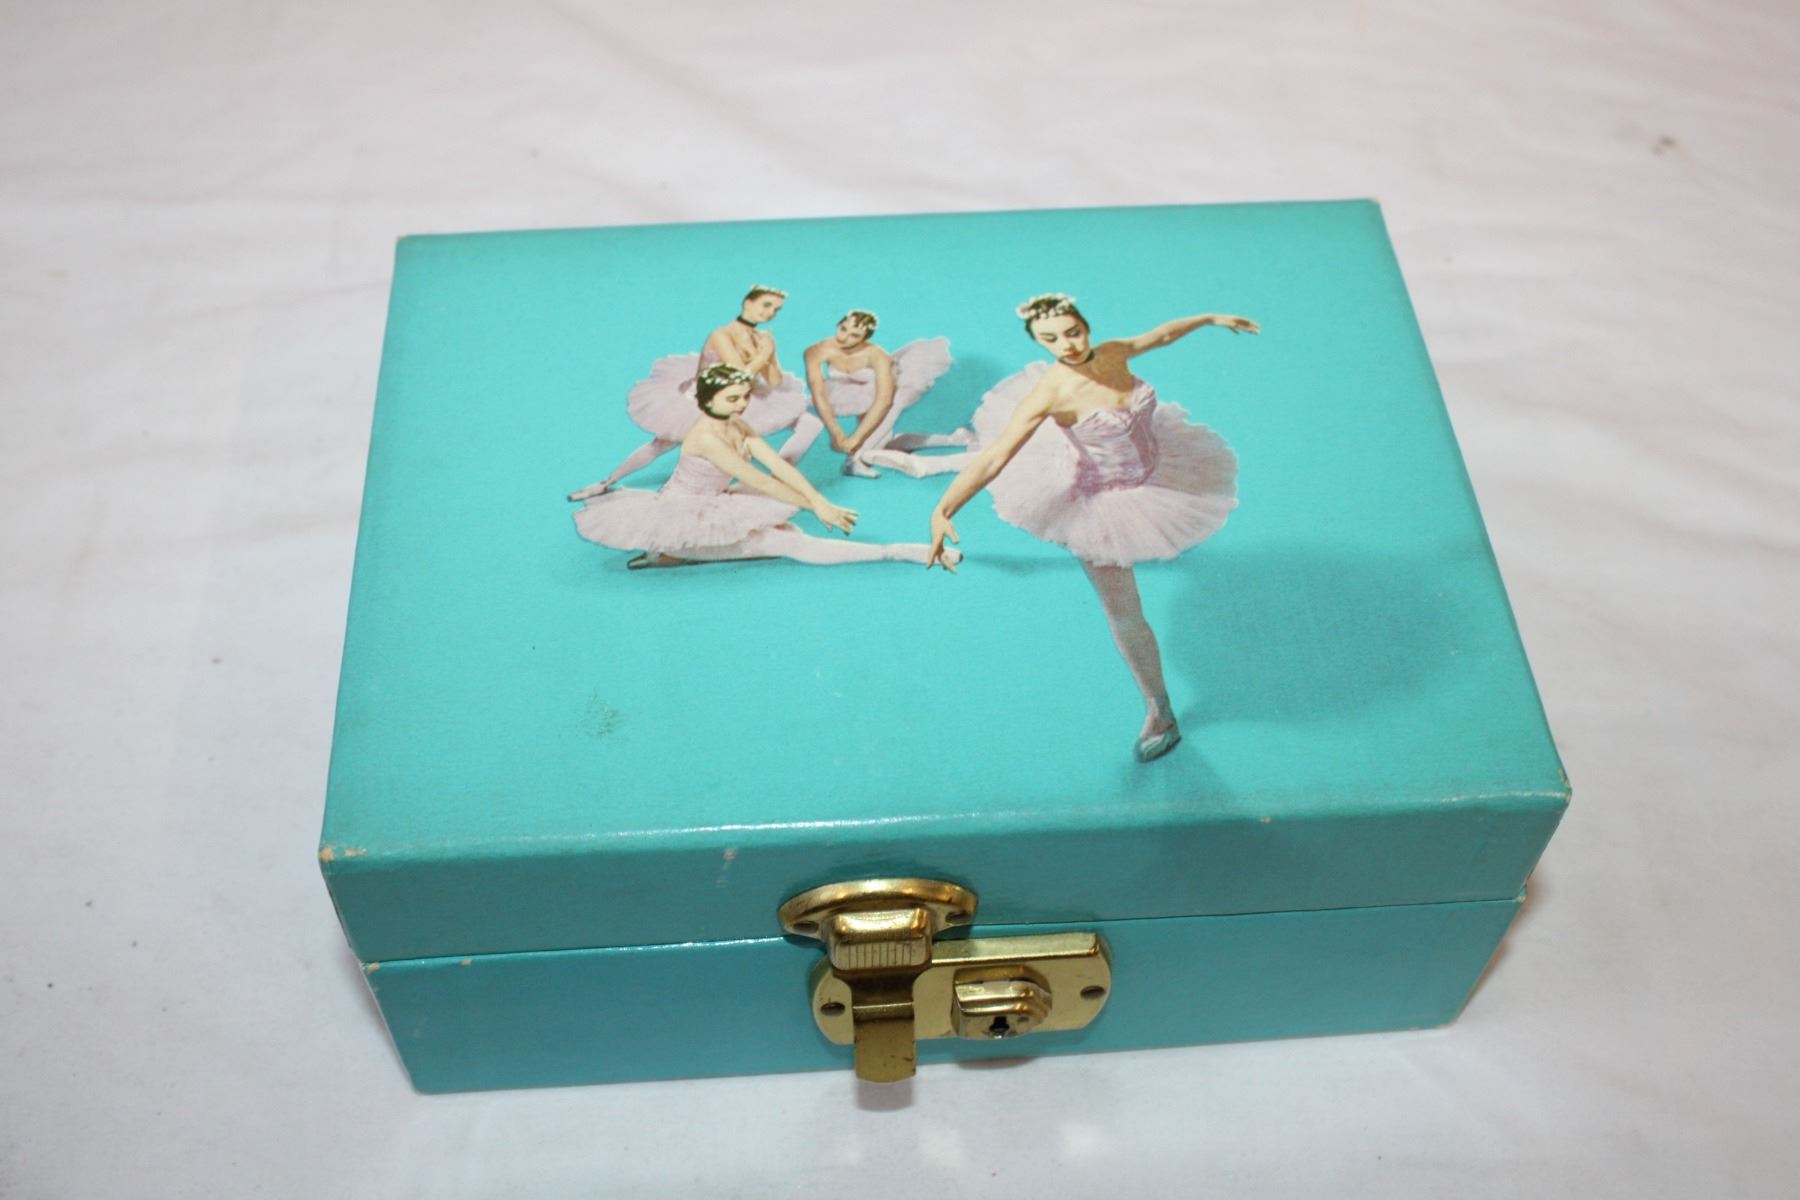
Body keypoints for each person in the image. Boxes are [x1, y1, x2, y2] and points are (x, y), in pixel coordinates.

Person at [925, 293, 1256, 761]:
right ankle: (1159, 710)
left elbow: (1159, 336)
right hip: (1099, 496)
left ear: (1086, 327)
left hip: (1156, 469)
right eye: (1051, 339)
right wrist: (944, 510)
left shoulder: (1114, 352)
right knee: (1124, 610)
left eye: (1073, 332)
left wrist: (1208, 317)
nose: (1067, 345)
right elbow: (996, 457)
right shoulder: (1051, 393)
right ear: (1039, 343)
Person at [575, 363, 958, 570]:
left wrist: (818, 501)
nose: (742, 405)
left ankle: (672, 555)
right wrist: (818, 506)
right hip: (682, 518)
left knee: (786, 528)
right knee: (788, 543)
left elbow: (778, 467)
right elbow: (758, 479)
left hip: (715, 500)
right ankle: (900, 552)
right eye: (732, 399)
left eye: (744, 397)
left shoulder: (737, 425)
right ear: (707, 400)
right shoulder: (705, 436)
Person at [567, 286, 819, 501]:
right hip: (707, 398)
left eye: (776, 309)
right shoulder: (721, 334)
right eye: (766, 305)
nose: (771, 313)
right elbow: (737, 374)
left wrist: (770, 355)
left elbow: (774, 380)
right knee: (663, 443)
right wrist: (762, 356)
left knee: (810, 424)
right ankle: (607, 481)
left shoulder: (762, 337)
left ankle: (772, 482)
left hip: (744, 395)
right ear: (748, 303)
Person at [799, 310, 969, 478]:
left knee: (881, 424)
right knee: (882, 443)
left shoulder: (877, 356)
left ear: (865, 338)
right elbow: (818, 394)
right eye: (843, 329)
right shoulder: (816, 351)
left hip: (894, 386)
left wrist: (856, 439)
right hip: (858, 389)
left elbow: (884, 401)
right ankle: (954, 439)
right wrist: (837, 435)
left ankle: (854, 462)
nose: (844, 338)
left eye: (855, 336)